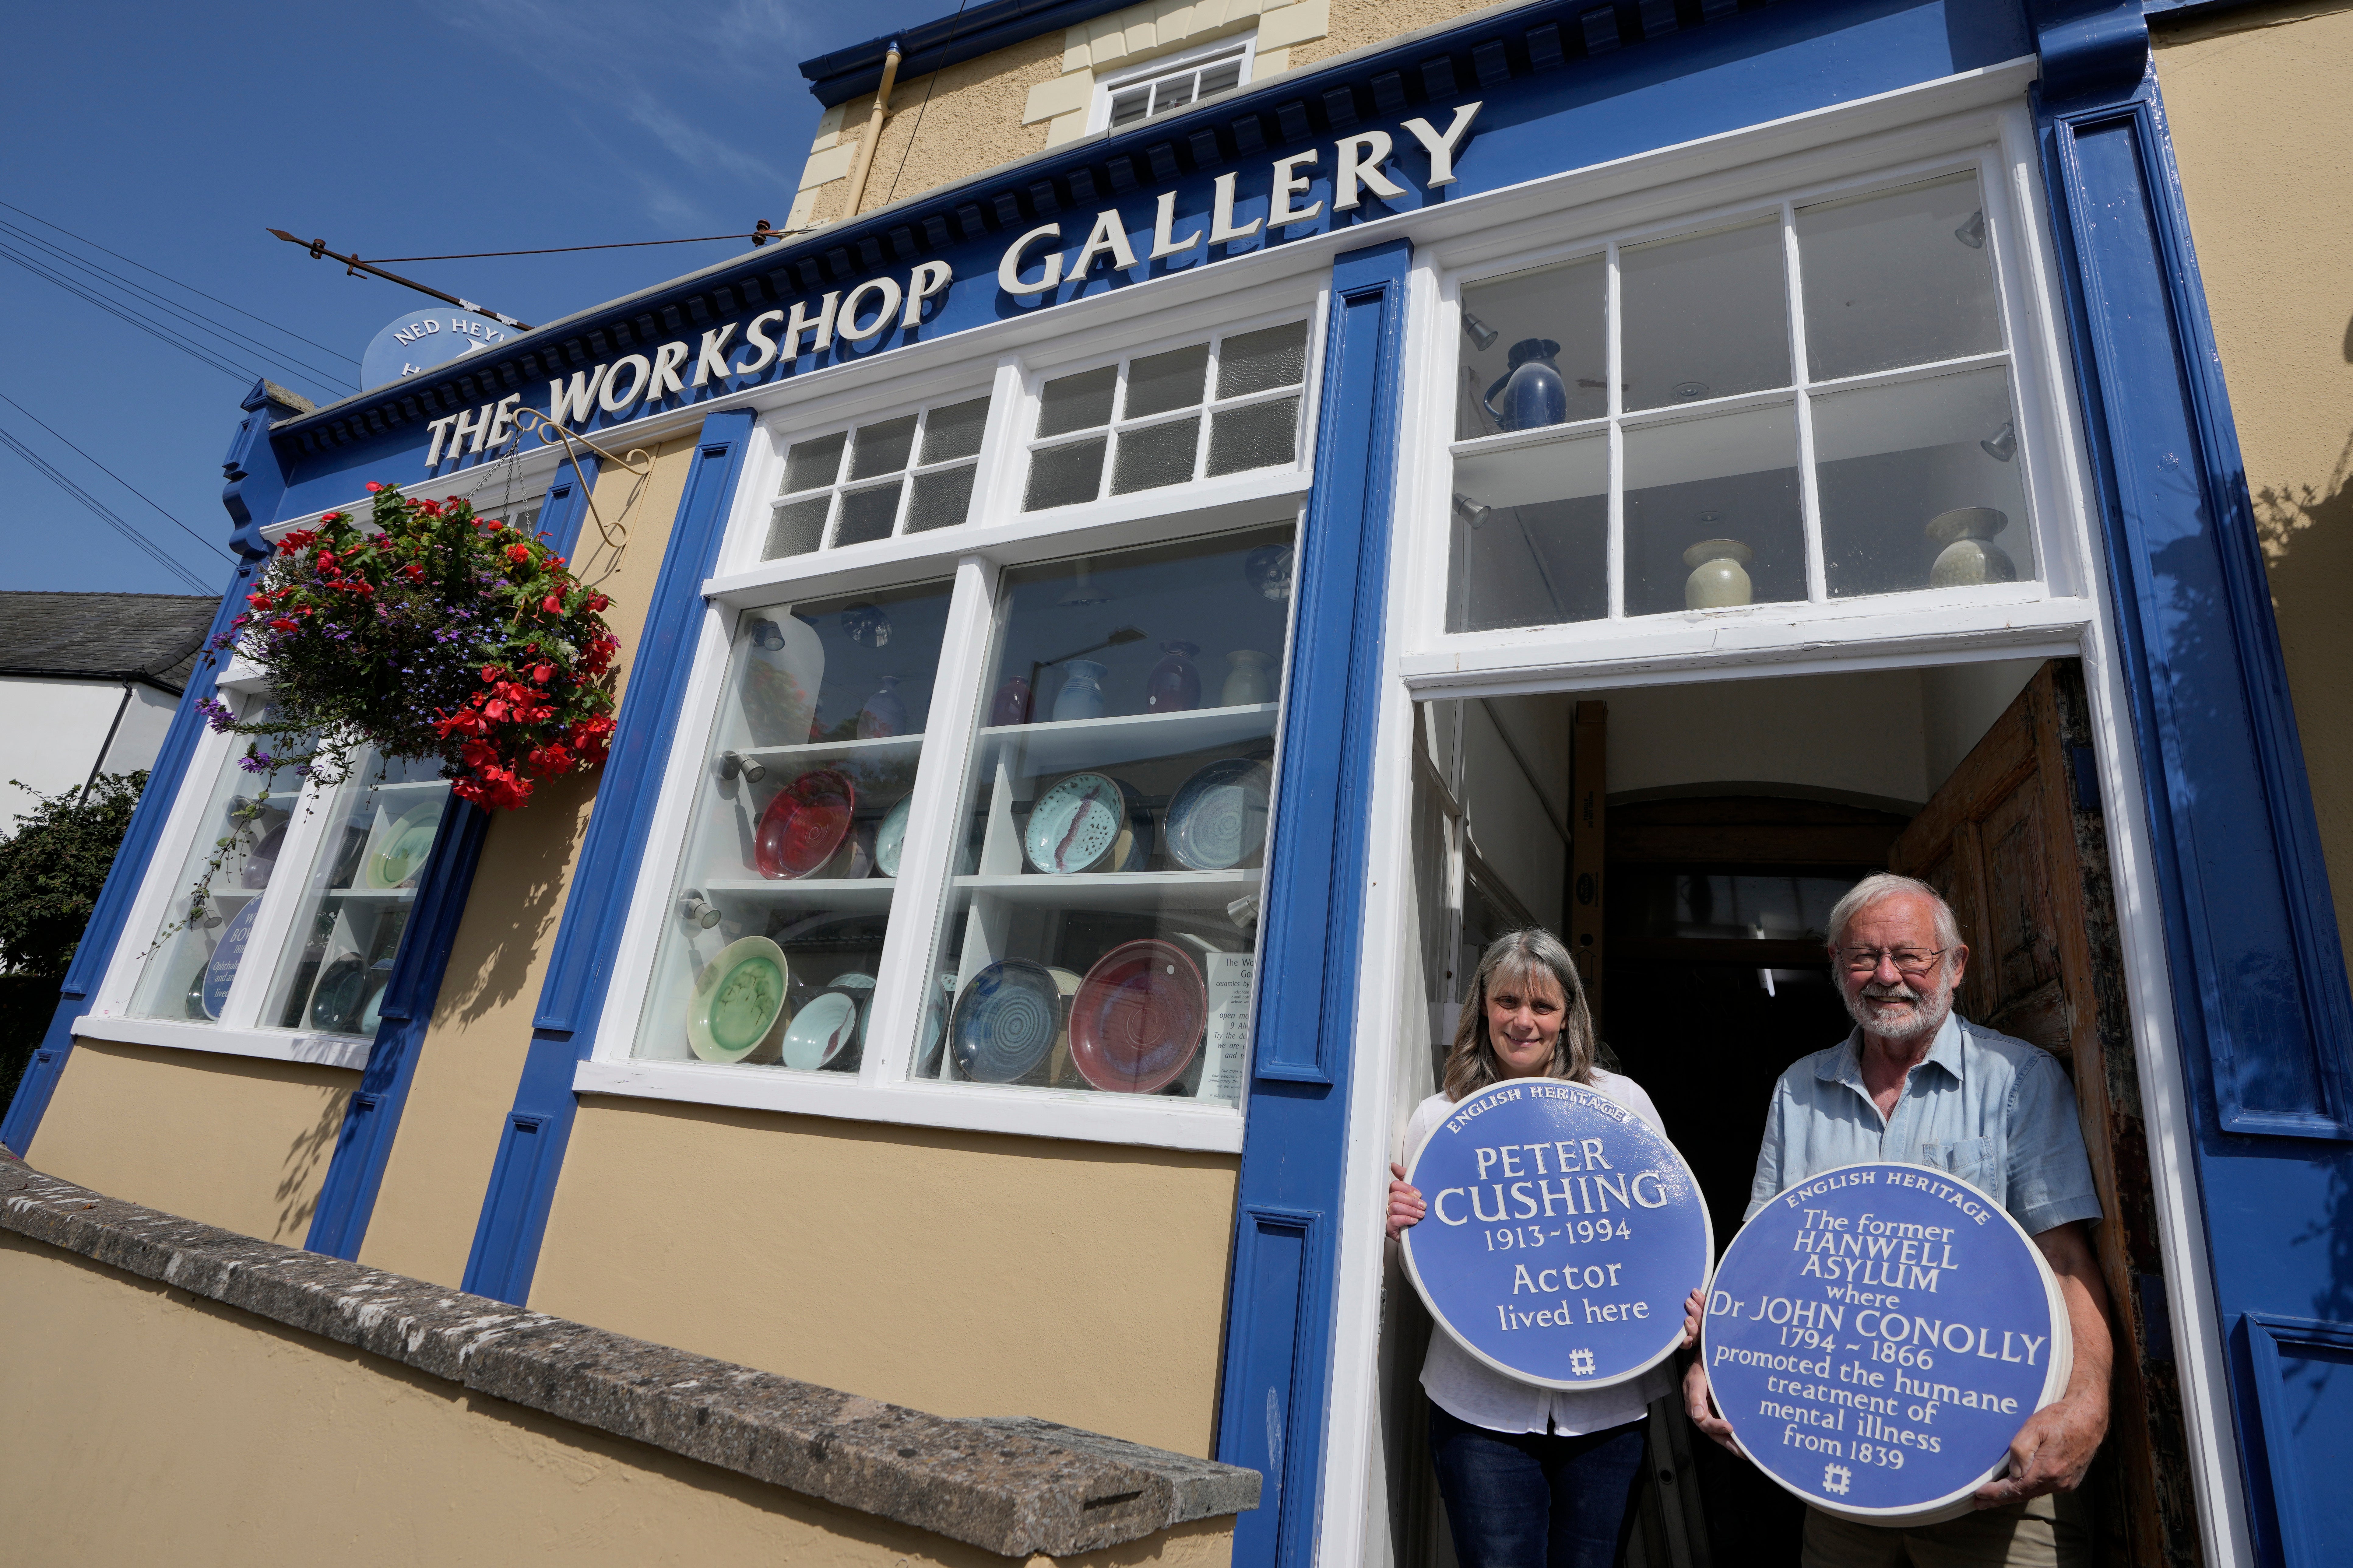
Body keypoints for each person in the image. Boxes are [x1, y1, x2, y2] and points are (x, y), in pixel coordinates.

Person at [1680, 873, 2113, 1568]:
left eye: (1910, 955)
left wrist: (2089, 1402)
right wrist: (1719, 1360)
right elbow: (1765, 1261)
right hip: (1843, 1472)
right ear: (1836, 965)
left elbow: (2064, 1261)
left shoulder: (2018, 1080)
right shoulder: (1799, 1090)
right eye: (1864, 957)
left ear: (1957, 965)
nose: (1887, 976)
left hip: (1997, 1473)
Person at [1388, 927, 1690, 1568]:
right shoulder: (1438, 1119)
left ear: (1567, 1016)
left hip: (1606, 1405)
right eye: (1507, 1001)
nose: (1522, 1021)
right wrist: (1402, 1229)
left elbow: (1665, 1229)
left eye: (1542, 1006)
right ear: (1484, 1006)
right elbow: (1433, 1273)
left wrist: (1681, 1301)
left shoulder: (1621, 1103)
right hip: (1480, 1406)